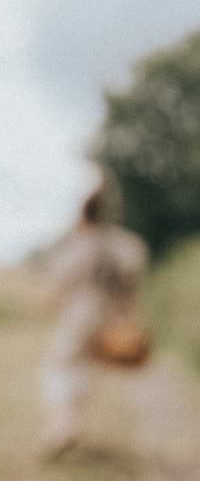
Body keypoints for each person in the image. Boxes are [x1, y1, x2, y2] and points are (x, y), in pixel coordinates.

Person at [40, 187, 149, 456]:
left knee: (60, 365)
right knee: (88, 369)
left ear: (83, 213)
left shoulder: (81, 243)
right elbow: (129, 290)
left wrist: (45, 302)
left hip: (82, 311)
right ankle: (73, 423)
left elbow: (62, 285)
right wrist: (128, 318)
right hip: (111, 315)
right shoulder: (126, 245)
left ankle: (62, 426)